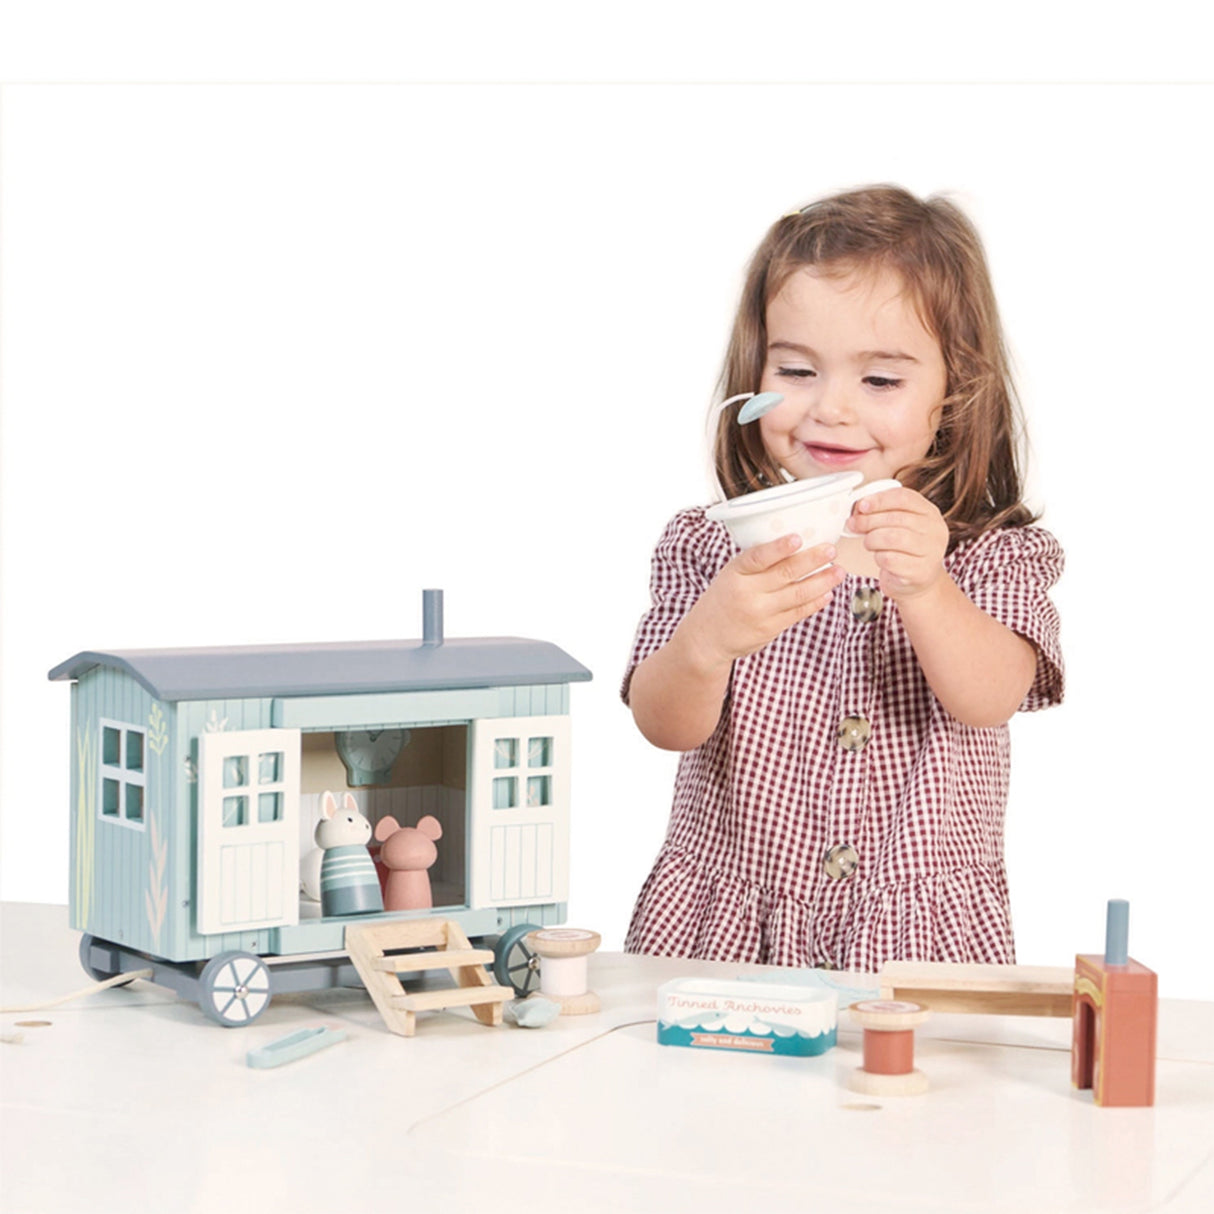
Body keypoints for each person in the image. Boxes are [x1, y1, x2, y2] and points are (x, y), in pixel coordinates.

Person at [622, 185, 1064, 972]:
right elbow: (664, 725)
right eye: (796, 370)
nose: (830, 409)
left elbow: (990, 698)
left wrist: (929, 590)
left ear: (950, 397)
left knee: (899, 1091)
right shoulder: (707, 545)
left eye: (881, 381)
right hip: (731, 926)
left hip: (912, 934)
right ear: (753, 378)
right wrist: (706, 642)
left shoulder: (993, 553)